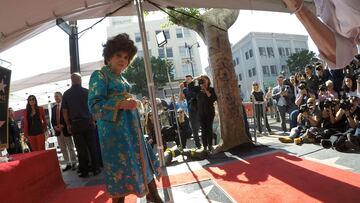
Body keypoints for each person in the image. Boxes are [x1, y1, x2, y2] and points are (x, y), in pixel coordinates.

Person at [88, 33, 163, 203]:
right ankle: (151, 197)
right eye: (118, 55)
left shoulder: (122, 78)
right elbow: (94, 106)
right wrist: (120, 103)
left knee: (143, 163)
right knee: (120, 171)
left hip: (133, 132)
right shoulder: (99, 75)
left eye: (126, 57)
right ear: (109, 57)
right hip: (115, 137)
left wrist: (132, 103)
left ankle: (154, 196)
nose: (122, 60)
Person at [62, 73, 101, 178]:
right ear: (80, 80)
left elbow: (65, 111)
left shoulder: (66, 94)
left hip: (76, 123)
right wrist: (93, 120)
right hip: (88, 121)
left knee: (80, 148)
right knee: (92, 146)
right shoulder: (87, 92)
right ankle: (96, 168)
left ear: (71, 80)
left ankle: (84, 171)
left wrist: (68, 124)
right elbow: (92, 108)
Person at [189, 75, 217, 152]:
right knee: (203, 130)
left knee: (209, 129)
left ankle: (210, 146)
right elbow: (190, 88)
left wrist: (206, 90)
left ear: (208, 80)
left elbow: (213, 99)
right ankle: (205, 146)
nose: (203, 81)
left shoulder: (211, 89)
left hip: (210, 112)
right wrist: (194, 79)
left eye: (204, 80)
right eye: (201, 80)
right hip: (200, 113)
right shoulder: (198, 89)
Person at [51, 92, 77, 171]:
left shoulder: (66, 106)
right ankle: (68, 163)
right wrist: (55, 127)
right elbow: (52, 120)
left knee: (70, 147)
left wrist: (64, 125)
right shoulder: (53, 108)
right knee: (63, 148)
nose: (56, 98)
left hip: (66, 130)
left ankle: (74, 163)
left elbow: (69, 117)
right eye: (55, 97)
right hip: (58, 131)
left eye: (57, 96)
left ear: (61, 97)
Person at [179, 75, 202, 149]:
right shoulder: (185, 89)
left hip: (200, 108)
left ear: (192, 79)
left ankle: (206, 143)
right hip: (191, 110)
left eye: (189, 79)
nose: (187, 81)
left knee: (202, 126)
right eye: (186, 80)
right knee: (194, 129)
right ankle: (198, 145)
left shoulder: (196, 87)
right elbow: (181, 99)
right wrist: (181, 89)